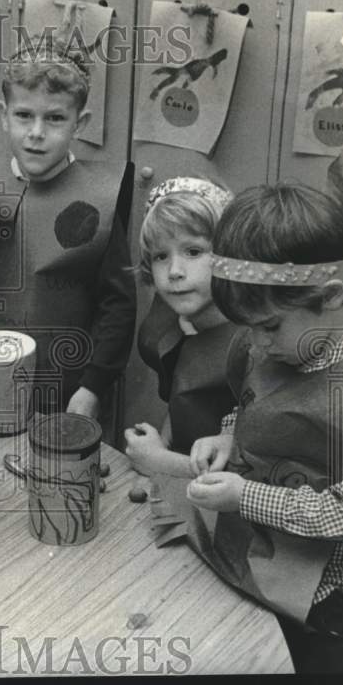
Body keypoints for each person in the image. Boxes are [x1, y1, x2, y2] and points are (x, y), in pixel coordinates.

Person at [174, 155, 343, 673]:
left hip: (326, 601)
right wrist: (228, 437)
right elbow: (255, 405)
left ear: (330, 296)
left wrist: (245, 495)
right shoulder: (268, 341)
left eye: (268, 327)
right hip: (249, 559)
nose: (259, 346)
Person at [0, 37, 136, 427]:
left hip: (68, 385)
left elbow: (118, 305)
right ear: (3, 114)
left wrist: (93, 386)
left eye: (55, 119)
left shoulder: (101, 196)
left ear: (80, 123)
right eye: (24, 115)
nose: (36, 132)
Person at [124, 177, 236, 477]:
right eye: (161, 256)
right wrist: (162, 444)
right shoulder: (171, 322)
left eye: (194, 252)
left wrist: (160, 462)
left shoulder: (256, 341)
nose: (174, 272)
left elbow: (252, 472)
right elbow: (181, 396)